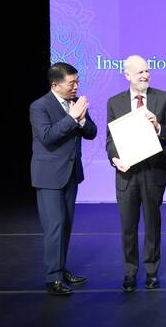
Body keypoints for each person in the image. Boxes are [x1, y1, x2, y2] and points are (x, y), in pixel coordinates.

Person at [106, 55, 166, 292]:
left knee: (153, 224)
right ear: (127, 75)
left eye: (147, 71)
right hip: (127, 175)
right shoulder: (114, 103)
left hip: (154, 172)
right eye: (140, 72)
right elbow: (110, 140)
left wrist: (158, 127)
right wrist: (115, 159)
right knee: (128, 225)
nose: (145, 75)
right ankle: (129, 271)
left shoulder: (163, 98)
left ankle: (152, 271)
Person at [29, 62, 97, 295]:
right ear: (55, 84)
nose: (76, 86)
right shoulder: (40, 106)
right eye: (72, 83)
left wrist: (81, 120)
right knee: (54, 226)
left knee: (66, 225)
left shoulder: (74, 104)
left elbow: (92, 132)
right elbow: (47, 136)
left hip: (70, 174)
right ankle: (53, 278)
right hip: (48, 177)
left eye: (77, 81)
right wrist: (72, 118)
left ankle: (61, 268)